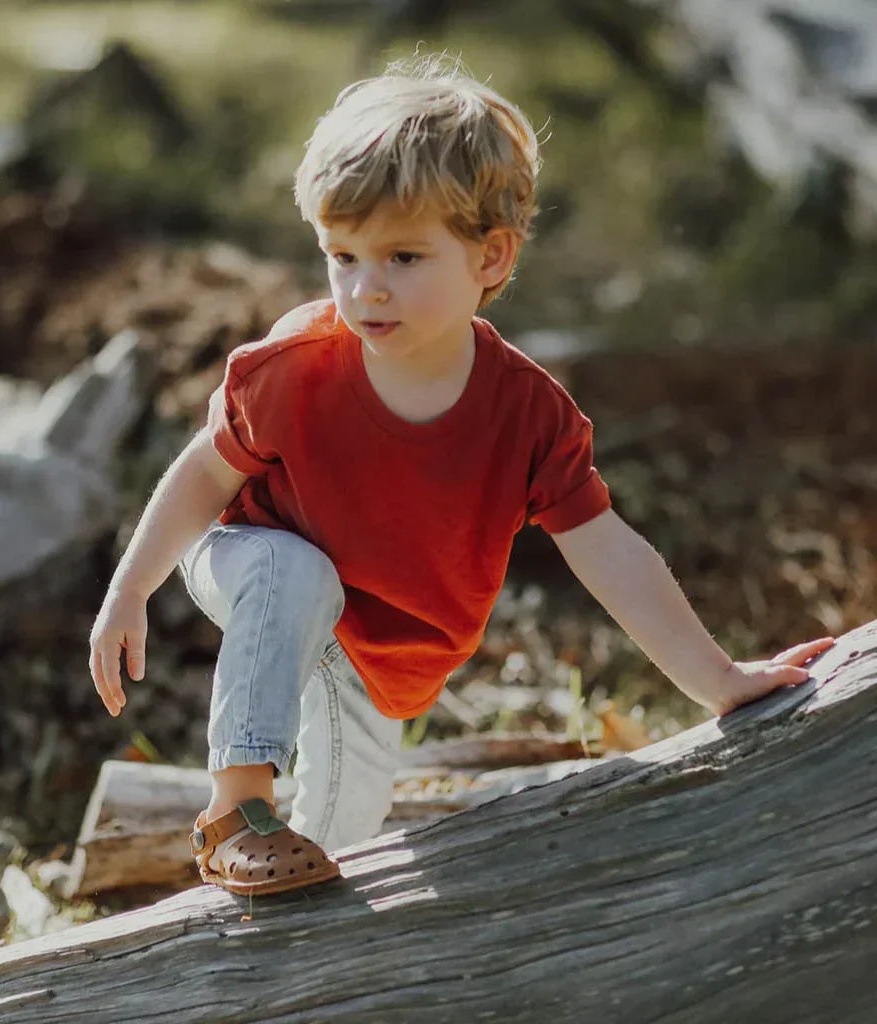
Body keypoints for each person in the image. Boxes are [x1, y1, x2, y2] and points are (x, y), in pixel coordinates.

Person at [88, 55, 834, 896]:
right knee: (291, 571)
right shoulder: (295, 368)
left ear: (491, 256)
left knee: (336, 846)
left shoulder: (527, 415)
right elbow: (201, 477)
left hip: (385, 649)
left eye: (403, 257)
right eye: (343, 255)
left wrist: (721, 680)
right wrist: (130, 589)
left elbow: (612, 554)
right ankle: (236, 809)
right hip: (253, 560)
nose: (365, 289)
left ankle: (283, 930)